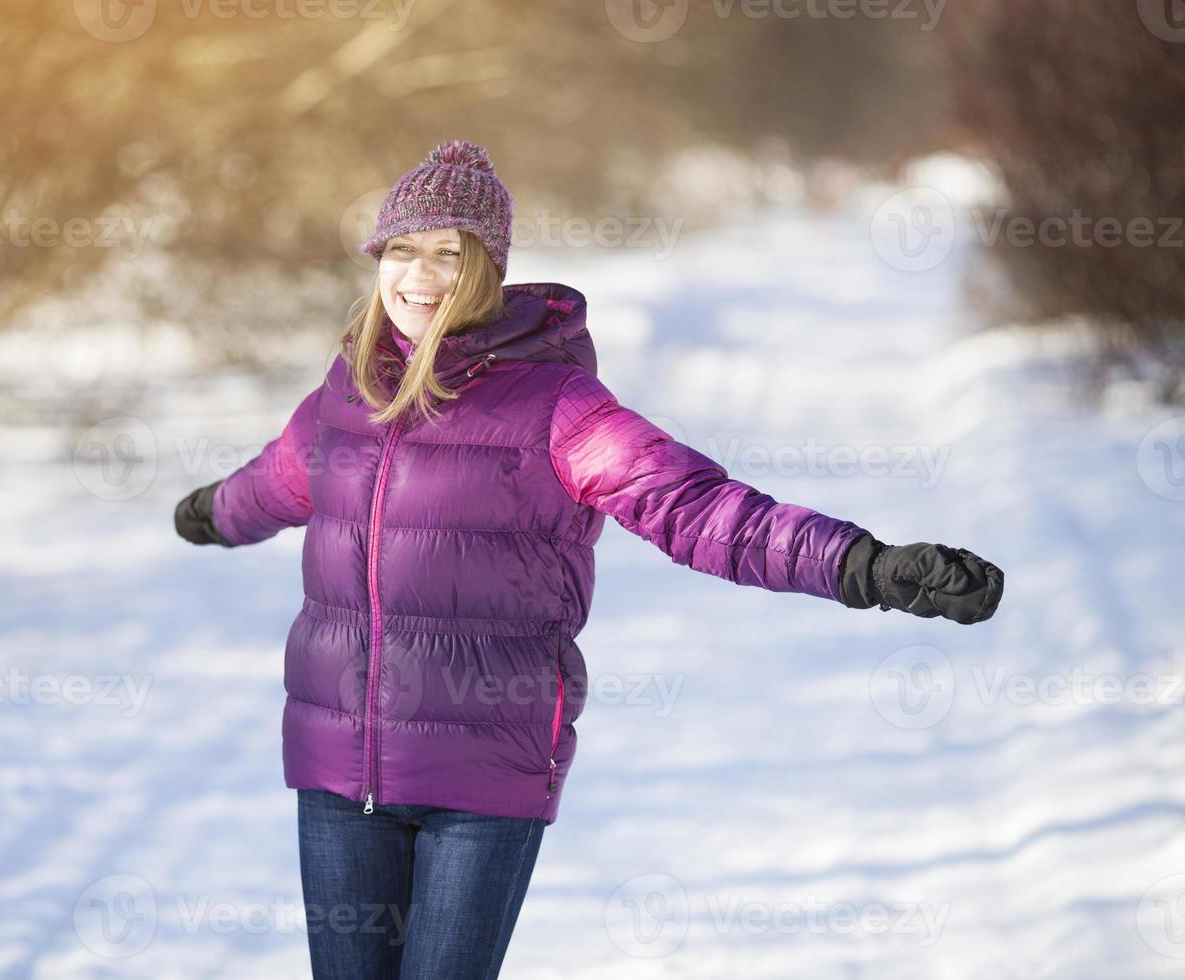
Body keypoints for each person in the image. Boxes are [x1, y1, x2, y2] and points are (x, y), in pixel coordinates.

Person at [174, 139, 1004, 979]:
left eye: (447, 254)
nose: (417, 277)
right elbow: (277, 482)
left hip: (483, 772)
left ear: (486, 269)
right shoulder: (349, 389)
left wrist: (866, 566)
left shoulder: (552, 403)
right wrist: (212, 513)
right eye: (400, 250)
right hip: (337, 774)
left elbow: (694, 507)